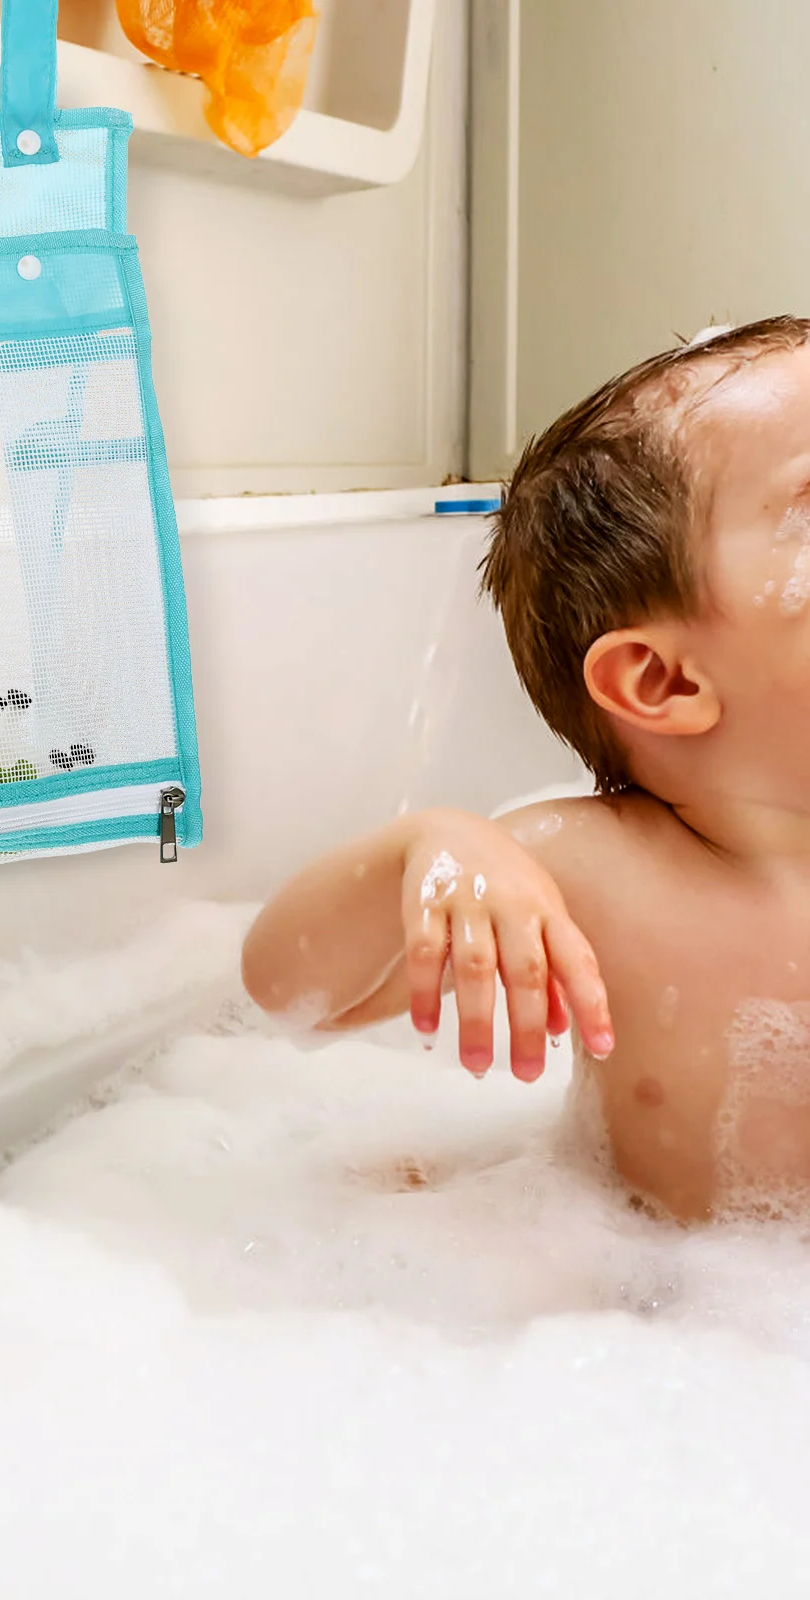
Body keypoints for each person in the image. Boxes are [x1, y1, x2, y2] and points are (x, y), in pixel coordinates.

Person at [241, 316, 810, 1222]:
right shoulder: (598, 872)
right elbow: (288, 992)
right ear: (663, 680)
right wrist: (435, 847)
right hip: (654, 1299)